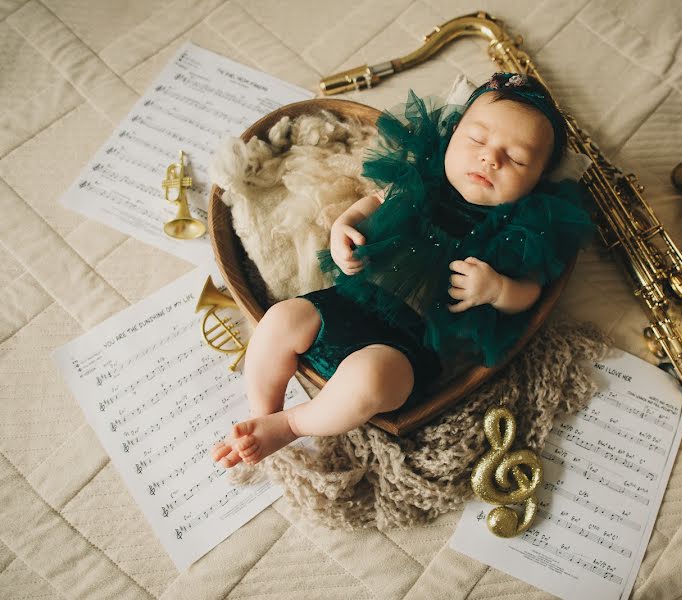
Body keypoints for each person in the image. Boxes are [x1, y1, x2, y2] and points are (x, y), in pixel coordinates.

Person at [211, 73, 594, 468]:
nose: (490, 158)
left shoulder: (522, 230)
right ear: (452, 134)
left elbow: (530, 292)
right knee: (281, 319)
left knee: (368, 381)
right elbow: (374, 201)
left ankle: (291, 424)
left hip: (409, 347)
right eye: (476, 140)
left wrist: (497, 289)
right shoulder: (420, 183)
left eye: (516, 158)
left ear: (537, 180)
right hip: (348, 303)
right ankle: (262, 411)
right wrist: (345, 226)